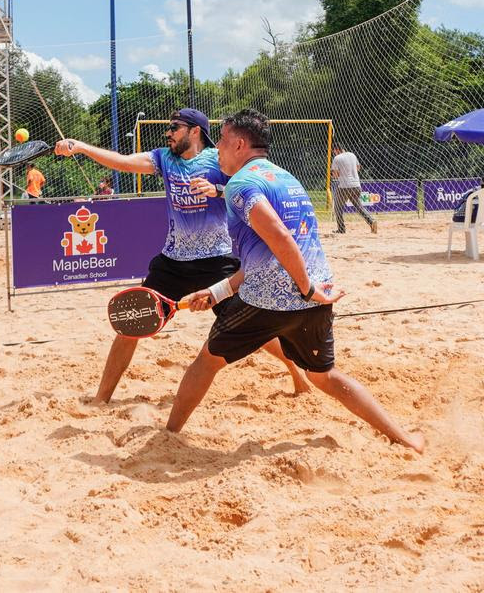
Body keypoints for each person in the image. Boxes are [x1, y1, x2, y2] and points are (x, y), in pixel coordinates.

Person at [166, 109, 423, 454]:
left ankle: (169, 435)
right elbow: (270, 255)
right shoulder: (287, 178)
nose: (218, 150)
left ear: (240, 143)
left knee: (207, 360)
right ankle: (405, 439)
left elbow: (281, 239)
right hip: (317, 298)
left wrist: (305, 288)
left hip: (275, 299)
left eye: (223, 141)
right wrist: (217, 292)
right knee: (325, 376)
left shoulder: (241, 185)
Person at [55, 108, 310, 403]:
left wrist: (217, 189)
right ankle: (102, 397)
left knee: (250, 325)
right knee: (131, 320)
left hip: (217, 260)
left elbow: (256, 186)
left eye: (175, 127)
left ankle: (297, 374)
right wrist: (84, 147)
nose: (169, 132)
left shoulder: (221, 160)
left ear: (194, 131)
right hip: (173, 262)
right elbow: (124, 163)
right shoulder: (165, 159)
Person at [331, 144, 377, 234]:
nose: (334, 153)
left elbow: (336, 175)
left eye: (334, 151)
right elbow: (358, 168)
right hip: (356, 186)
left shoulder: (337, 158)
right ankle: (371, 221)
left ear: (336, 150)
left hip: (344, 186)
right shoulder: (352, 155)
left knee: (337, 208)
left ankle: (341, 229)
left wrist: (334, 173)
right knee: (359, 207)